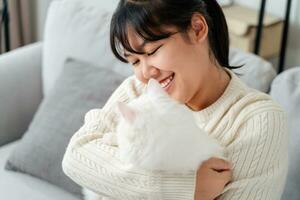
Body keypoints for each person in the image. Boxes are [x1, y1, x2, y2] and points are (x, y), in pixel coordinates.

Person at [62, 0, 289, 199]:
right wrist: (182, 188)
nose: (145, 73)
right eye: (134, 61)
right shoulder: (138, 90)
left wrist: (116, 176)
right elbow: (76, 156)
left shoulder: (257, 121)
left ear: (197, 29)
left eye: (152, 51)